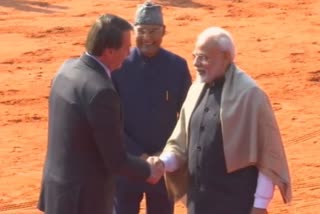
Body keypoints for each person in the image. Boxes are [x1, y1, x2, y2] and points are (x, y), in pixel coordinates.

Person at [153, 27, 292, 214]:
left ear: (226, 57)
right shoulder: (196, 90)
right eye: (195, 55)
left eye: (204, 58)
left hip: (236, 206)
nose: (195, 63)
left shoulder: (250, 95)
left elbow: (267, 156)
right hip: (199, 206)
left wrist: (260, 205)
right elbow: (180, 145)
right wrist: (163, 163)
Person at [37, 14, 164, 214]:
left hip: (57, 191)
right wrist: (148, 170)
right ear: (109, 51)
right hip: (84, 201)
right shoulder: (101, 91)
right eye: (126, 47)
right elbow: (115, 159)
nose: (130, 52)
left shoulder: (65, 70)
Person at [111, 2, 191, 214]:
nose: (148, 37)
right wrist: (141, 156)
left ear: (164, 31)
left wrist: (163, 155)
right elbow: (109, 120)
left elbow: (187, 116)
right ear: (132, 31)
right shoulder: (118, 66)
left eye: (154, 31)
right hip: (126, 163)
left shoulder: (177, 66)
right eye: (142, 31)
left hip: (163, 165)